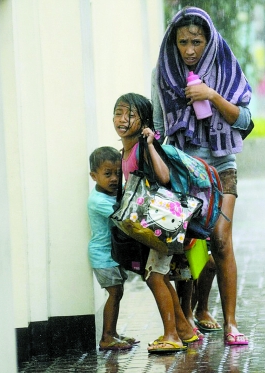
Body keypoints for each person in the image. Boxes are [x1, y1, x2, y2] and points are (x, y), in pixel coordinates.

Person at [152, 6, 252, 345]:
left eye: (196, 41)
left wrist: (211, 95)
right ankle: (191, 313)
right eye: (183, 42)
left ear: (208, 41)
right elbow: (160, 128)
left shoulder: (225, 66)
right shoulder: (165, 73)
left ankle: (231, 323)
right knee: (189, 245)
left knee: (221, 239)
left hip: (222, 167)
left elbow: (245, 121)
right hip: (184, 170)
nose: (190, 49)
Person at [112, 93, 200, 353]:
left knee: (155, 277)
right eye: (119, 112)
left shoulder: (142, 146)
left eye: (131, 114)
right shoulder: (124, 150)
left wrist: (150, 144)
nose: (123, 119)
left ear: (144, 120)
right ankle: (184, 330)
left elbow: (163, 177)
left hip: (161, 223)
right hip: (149, 228)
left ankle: (171, 334)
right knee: (157, 276)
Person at [87, 146, 139, 351]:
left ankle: (113, 333)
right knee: (115, 293)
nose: (114, 179)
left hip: (112, 254)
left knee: (118, 292)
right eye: (107, 174)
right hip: (103, 256)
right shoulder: (98, 201)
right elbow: (122, 216)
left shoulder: (110, 194)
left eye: (118, 173)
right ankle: (107, 337)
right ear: (94, 176)